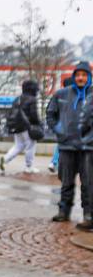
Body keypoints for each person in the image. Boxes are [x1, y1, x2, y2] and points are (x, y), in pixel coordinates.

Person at [45, 61, 92, 226]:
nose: (80, 78)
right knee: (66, 182)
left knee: (88, 183)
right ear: (74, 76)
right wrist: (59, 129)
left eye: (84, 75)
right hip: (67, 146)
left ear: (89, 77)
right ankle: (63, 211)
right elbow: (50, 114)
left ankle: (88, 216)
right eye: (78, 75)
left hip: (88, 148)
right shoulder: (61, 94)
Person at [0, 79, 41, 174]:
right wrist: (38, 123)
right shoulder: (32, 99)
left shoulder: (17, 99)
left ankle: (5, 159)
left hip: (17, 126)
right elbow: (34, 114)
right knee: (30, 146)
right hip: (27, 126)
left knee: (18, 146)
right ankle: (29, 167)